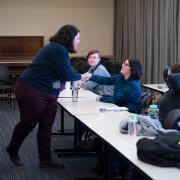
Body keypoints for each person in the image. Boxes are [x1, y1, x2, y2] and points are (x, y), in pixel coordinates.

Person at [6, 24, 89, 169]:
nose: (79, 41)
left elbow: (62, 73)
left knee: (46, 126)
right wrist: (82, 76)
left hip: (48, 93)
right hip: (32, 90)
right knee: (28, 123)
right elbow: (67, 74)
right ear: (70, 37)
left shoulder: (58, 49)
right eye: (78, 38)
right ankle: (12, 148)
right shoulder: (57, 49)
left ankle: (45, 160)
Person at [86, 58, 143, 178]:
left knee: (110, 139)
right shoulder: (120, 78)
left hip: (129, 118)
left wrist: (100, 98)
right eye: (123, 63)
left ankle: (114, 170)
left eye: (126, 64)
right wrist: (90, 76)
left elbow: (114, 99)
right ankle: (105, 166)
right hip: (117, 113)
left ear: (132, 70)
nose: (122, 65)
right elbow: (106, 80)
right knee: (103, 135)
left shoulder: (133, 85)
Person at [157, 64, 180, 129]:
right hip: (157, 122)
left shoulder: (177, 90)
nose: (167, 79)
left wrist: (171, 76)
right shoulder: (171, 90)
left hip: (165, 128)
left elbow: (174, 79)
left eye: (169, 77)